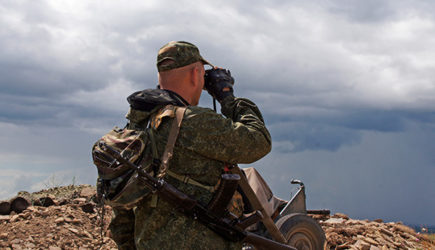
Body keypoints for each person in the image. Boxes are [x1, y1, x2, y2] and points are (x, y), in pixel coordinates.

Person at [108, 41, 272, 250]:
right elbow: (259, 141)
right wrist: (227, 97)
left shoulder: (136, 124)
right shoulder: (193, 122)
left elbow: (121, 207)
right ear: (196, 74)